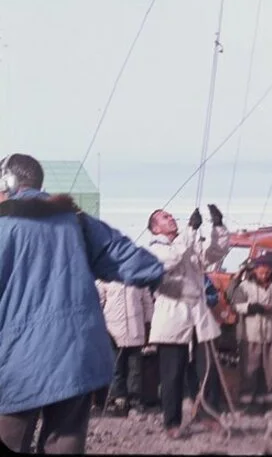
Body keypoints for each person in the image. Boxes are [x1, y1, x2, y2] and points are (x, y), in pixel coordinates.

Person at [0, 153, 164, 454]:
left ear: (8, 182)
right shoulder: (76, 220)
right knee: (64, 443)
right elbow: (121, 253)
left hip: (18, 360)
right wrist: (159, 274)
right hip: (75, 356)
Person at [147, 204, 230, 438]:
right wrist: (190, 231)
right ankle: (172, 422)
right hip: (173, 315)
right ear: (155, 228)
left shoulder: (188, 242)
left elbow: (215, 253)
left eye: (171, 215)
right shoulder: (155, 250)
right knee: (172, 373)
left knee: (207, 370)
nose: (171, 218)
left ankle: (209, 415)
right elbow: (171, 261)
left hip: (199, 315)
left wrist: (219, 226)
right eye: (164, 217)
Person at [226, 255, 272, 410]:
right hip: (251, 335)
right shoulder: (245, 286)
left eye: (267, 272)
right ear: (255, 271)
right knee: (249, 369)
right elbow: (235, 305)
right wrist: (251, 308)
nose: (264, 276)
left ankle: (269, 400)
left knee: (271, 371)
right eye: (261, 272)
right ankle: (246, 401)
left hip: (271, 334)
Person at [96, 280, 155, 416]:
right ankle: (120, 401)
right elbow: (98, 302)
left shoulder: (139, 279)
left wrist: (148, 325)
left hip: (135, 330)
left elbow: (147, 303)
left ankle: (135, 401)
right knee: (116, 369)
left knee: (135, 369)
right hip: (113, 331)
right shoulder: (105, 278)